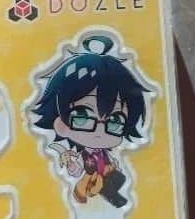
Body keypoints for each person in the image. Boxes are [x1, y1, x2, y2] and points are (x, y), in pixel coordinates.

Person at [32, 33, 150, 208]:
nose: (100, 130)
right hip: (88, 188)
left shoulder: (105, 152)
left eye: (115, 121)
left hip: (104, 185)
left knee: (118, 178)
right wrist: (72, 166)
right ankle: (99, 196)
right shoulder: (80, 154)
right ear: (61, 123)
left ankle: (111, 197)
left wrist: (112, 166)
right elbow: (76, 171)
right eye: (83, 116)